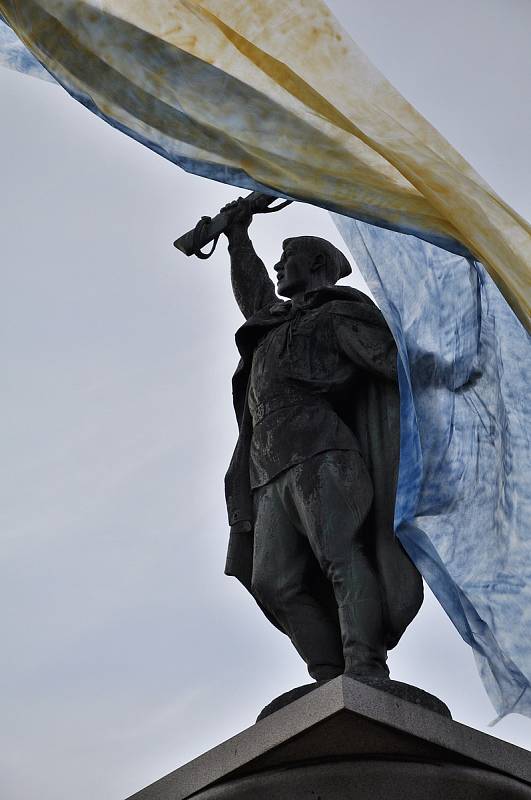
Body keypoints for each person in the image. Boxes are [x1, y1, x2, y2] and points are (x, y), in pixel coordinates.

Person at [222, 196, 423, 686]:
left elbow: (394, 366)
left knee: (339, 556)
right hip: (268, 468)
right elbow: (254, 293)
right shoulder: (275, 322)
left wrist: (453, 372)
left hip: (325, 454)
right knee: (273, 581)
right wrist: (237, 236)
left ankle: (364, 665)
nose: (277, 266)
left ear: (314, 264)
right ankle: (329, 676)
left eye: (286, 258)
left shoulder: (337, 317)